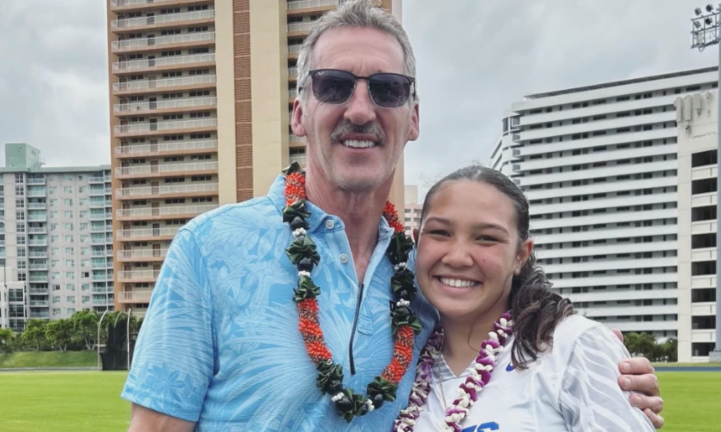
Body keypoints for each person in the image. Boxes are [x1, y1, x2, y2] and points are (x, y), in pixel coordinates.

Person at [123, 1, 663, 431]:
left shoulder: (424, 279)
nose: (360, 109)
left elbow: (506, 320)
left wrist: (604, 366)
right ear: (299, 112)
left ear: (413, 118)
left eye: (387, 89)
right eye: (334, 85)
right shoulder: (209, 248)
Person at [392, 166, 658, 432]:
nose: (457, 257)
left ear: (520, 255)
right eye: (440, 233)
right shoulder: (401, 362)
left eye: (486, 238)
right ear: (417, 242)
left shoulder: (571, 346)